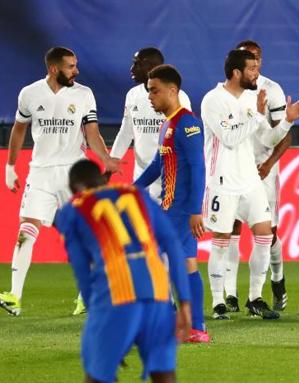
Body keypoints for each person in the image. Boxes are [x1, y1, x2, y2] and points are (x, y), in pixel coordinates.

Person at [0, 46, 121, 317]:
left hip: (73, 173)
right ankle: (14, 296)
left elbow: (92, 132)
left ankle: (87, 296)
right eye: (70, 66)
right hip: (40, 171)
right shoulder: (29, 94)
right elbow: (19, 129)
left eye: (76, 65)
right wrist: (10, 165)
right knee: (26, 228)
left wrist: (106, 158)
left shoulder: (84, 94)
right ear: (54, 69)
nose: (76, 71)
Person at [56, 159, 191, 383]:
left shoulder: (73, 210)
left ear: (73, 189)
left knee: (98, 376)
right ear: (102, 179)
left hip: (117, 295)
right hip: (158, 293)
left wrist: (98, 321)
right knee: (164, 375)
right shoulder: (138, 195)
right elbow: (173, 246)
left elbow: (82, 273)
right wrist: (185, 302)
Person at [201, 49, 299, 320]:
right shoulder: (213, 100)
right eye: (251, 69)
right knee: (221, 241)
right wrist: (257, 117)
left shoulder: (253, 98)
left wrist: (287, 121)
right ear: (236, 72)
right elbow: (228, 137)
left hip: (250, 180)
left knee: (264, 236)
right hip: (222, 181)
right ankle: (217, 302)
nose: (256, 74)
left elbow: (268, 139)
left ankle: (255, 298)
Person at [134, 64, 209, 342]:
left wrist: (194, 211)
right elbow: (158, 164)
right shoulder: (167, 123)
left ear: (172, 90)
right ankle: (188, 325)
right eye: (148, 91)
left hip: (180, 210)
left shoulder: (187, 124)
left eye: (154, 90)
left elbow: (198, 167)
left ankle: (188, 325)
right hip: (168, 208)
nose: (150, 96)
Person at [222, 40, 291, 313]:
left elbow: (285, 135)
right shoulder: (226, 92)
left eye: (256, 58)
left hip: (263, 172)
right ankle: (232, 294)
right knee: (231, 228)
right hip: (234, 170)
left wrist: (268, 163)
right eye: (247, 58)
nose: (253, 62)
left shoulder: (271, 90)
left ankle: (276, 278)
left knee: (267, 233)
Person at [111, 47, 192, 202]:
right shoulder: (132, 95)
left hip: (168, 175)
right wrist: (112, 160)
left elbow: (186, 137)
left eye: (137, 64)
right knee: (140, 224)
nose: (132, 68)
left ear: (151, 67)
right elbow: (126, 131)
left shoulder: (179, 97)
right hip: (141, 173)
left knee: (164, 224)